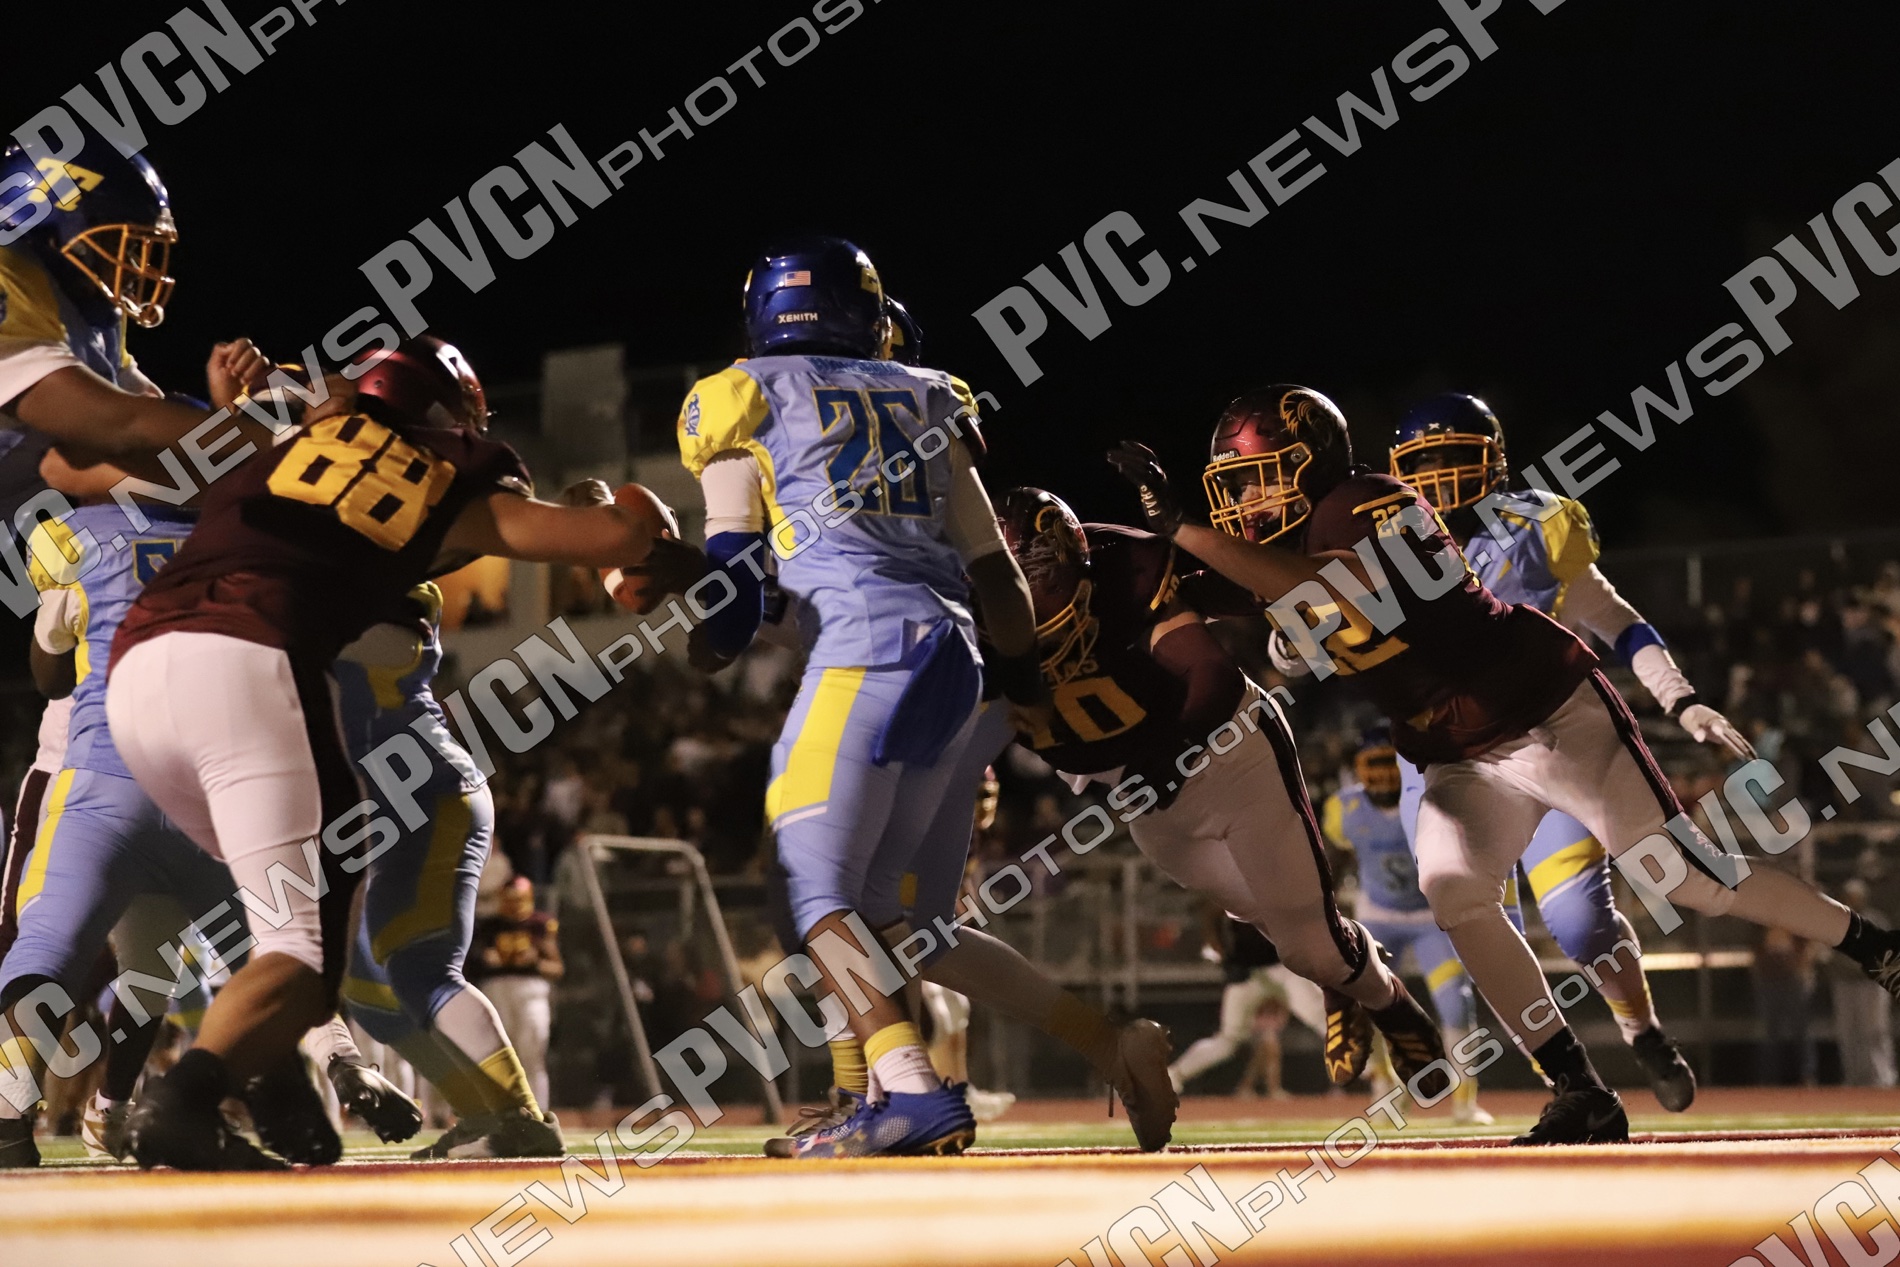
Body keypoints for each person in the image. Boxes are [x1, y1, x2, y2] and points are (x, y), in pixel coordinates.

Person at [1108, 383, 1900, 1145]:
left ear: (1310, 463)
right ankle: (1579, 1088)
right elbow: (1184, 583)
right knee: (1454, 893)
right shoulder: (1278, 547)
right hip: (1455, 753)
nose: (1246, 501)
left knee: (1688, 878)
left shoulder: (1370, 501)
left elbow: (1331, 585)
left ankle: (1873, 944)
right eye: (1235, 486)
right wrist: (1095, 561)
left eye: (1259, 478)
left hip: (1543, 711)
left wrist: (1184, 529)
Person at [104, 336, 696, 1170]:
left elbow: (262, 466)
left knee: (390, 970)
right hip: (314, 740)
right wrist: (629, 531)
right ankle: (255, 1083)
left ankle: (498, 1111)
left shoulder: (310, 494)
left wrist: (262, 403)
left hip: (369, 760)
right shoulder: (403, 503)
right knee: (342, 974)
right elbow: (598, 534)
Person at [672, 237, 1046, 1158]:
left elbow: (734, 589)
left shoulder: (741, 394)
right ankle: (873, 1098)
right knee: (880, 900)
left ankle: (912, 1089)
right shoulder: (926, 394)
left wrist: (705, 647)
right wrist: (1026, 679)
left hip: (863, 649)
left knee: (813, 885)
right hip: (955, 655)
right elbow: (999, 574)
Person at [995, 486, 1448, 1095]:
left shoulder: (1125, 573)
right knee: (1279, 929)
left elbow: (1208, 672)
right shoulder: (967, 627)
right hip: (1146, 798)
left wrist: (1170, 754)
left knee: (1310, 947)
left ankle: (1390, 1005)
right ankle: (1340, 967)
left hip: (1229, 754)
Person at [1387, 392, 1715, 1111]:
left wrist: (1679, 696)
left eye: (1453, 460)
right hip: (1443, 759)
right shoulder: (1382, 551)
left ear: (1493, 463)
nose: (1438, 482)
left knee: (1581, 922)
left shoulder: (1534, 527)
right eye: (1423, 466)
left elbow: (1618, 620)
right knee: (1476, 920)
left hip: (1542, 743)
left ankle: (1643, 1030)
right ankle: (1569, 1079)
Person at [334, 583, 565, 1159]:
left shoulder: (364, 592)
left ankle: (519, 1118)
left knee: (422, 968)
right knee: (369, 993)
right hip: (395, 802)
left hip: (424, 792)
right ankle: (482, 1111)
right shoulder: (355, 586)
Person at [1323, 727, 1491, 1125]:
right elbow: (1334, 860)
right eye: (1374, 763)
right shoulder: (1343, 808)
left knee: (1456, 1004)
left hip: (1430, 917)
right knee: (1371, 1008)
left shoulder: (1423, 800)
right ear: (1358, 767)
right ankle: (1386, 1091)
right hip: (1377, 918)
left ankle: (1465, 1102)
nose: (1383, 773)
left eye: (1389, 762)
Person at [1169, 916, 1326, 1098]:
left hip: (1281, 968)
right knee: (1228, 1039)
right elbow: (1210, 918)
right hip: (1249, 973)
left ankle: (1360, 1069)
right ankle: (1173, 1075)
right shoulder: (1227, 905)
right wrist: (1222, 951)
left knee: (1323, 1019)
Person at [468, 878, 562, 1115]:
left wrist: (535, 961)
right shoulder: (489, 926)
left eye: (518, 899)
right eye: (509, 900)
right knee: (498, 1054)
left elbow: (557, 968)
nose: (514, 905)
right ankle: (501, 1112)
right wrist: (485, 960)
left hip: (530, 991)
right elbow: (470, 965)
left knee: (532, 1052)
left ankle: (538, 1111)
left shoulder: (539, 925)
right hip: (496, 990)